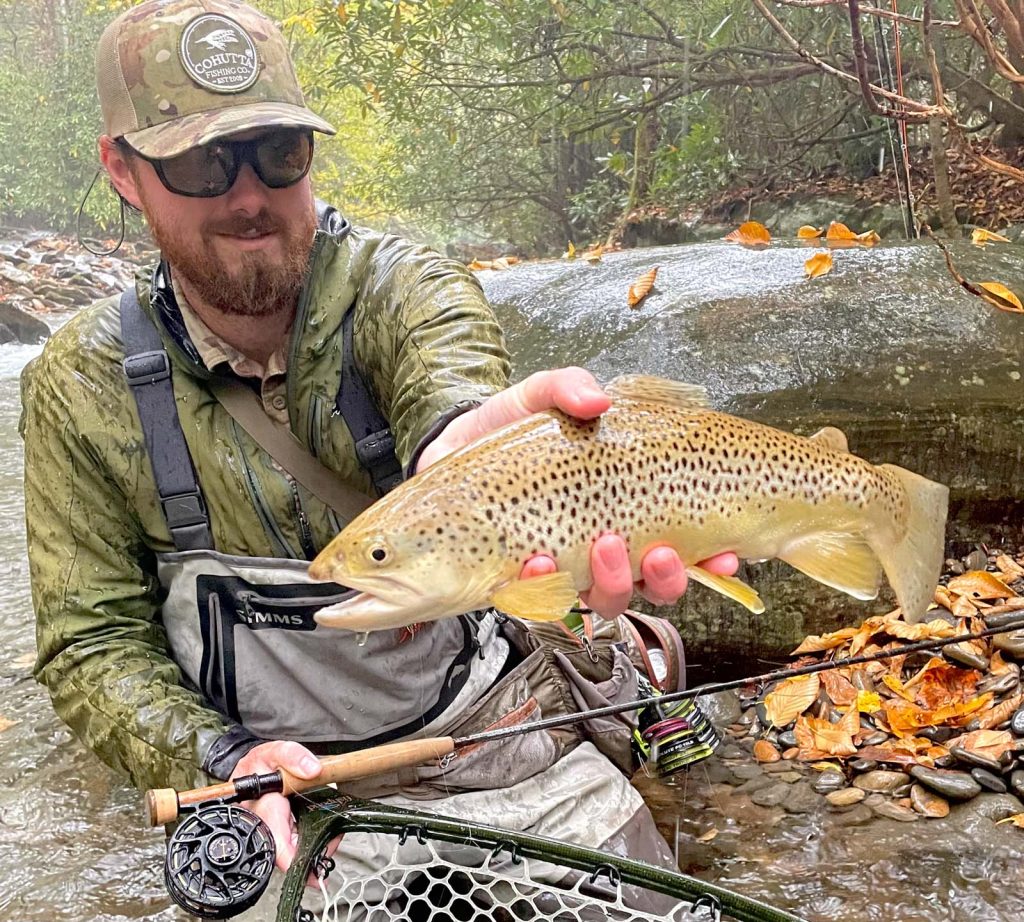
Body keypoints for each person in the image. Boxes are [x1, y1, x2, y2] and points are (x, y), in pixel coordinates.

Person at [21, 0, 737, 886]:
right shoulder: (80, 383)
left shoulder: (407, 287)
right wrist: (217, 760)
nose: (248, 196)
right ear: (122, 171)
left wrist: (466, 460)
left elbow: (455, 393)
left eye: (278, 152)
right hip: (276, 791)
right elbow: (92, 643)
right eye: (201, 163)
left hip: (487, 731)